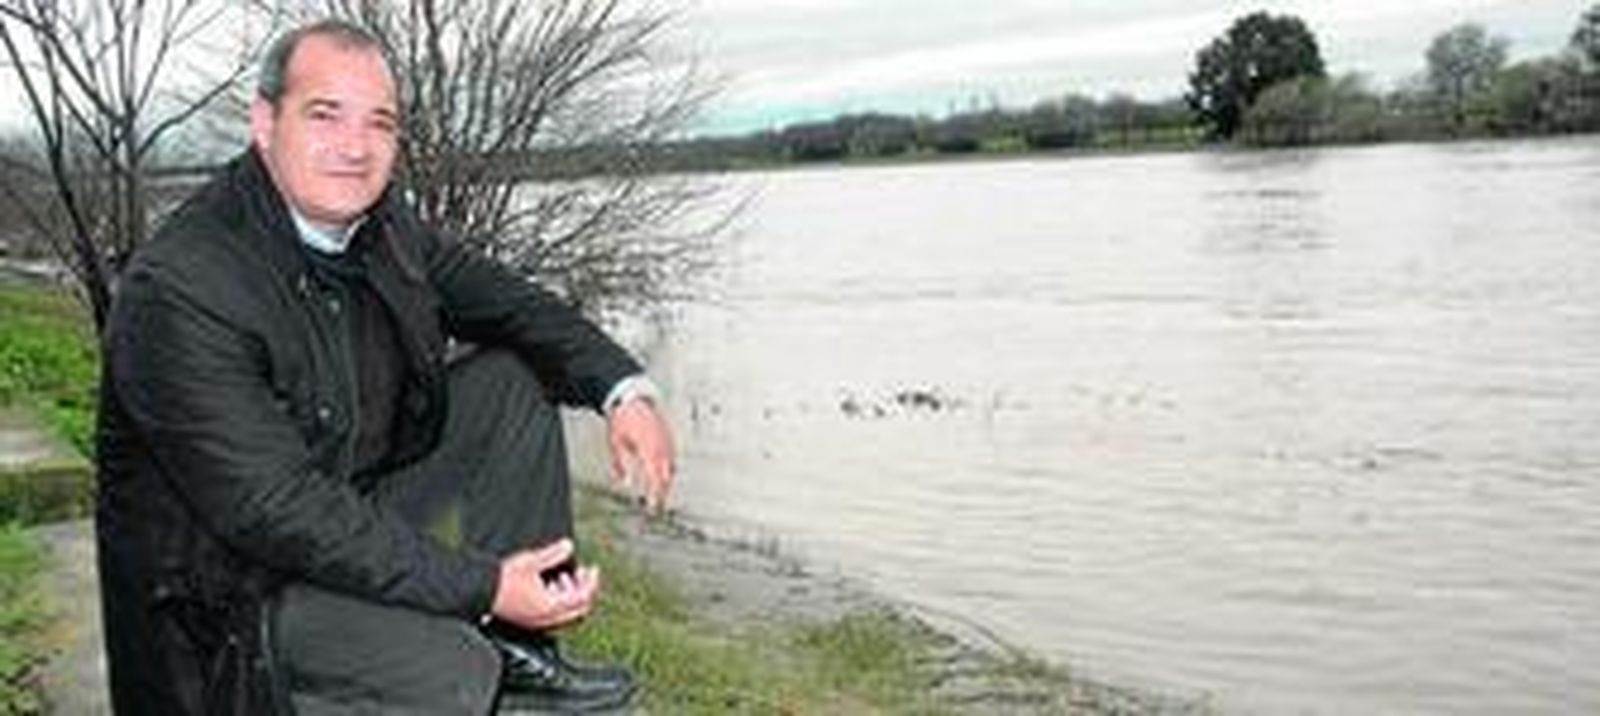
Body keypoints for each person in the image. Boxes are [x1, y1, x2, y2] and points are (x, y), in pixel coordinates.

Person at [95, 18, 675, 715]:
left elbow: (512, 304)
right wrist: (483, 582)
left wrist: (623, 390)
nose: (355, 147)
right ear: (263, 121)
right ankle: (483, 660)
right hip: (234, 590)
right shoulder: (184, 288)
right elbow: (280, 511)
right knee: (450, 671)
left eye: (380, 123)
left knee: (508, 385)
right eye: (325, 114)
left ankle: (518, 655)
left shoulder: (381, 227)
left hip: (344, 501)